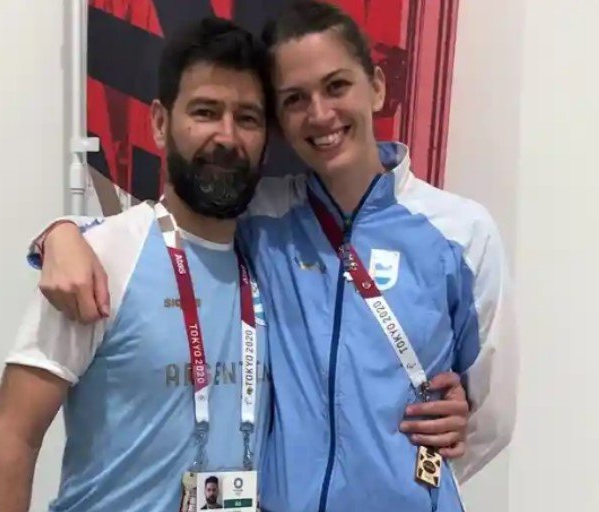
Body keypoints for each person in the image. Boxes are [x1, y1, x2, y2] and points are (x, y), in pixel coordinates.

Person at [26, 2, 516, 511]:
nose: (320, 114)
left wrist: (420, 465)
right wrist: (63, 233)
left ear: (376, 86)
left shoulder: (460, 232)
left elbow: (492, 415)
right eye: (295, 99)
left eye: (336, 86)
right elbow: (169, 222)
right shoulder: (263, 214)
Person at [0, 18, 274, 512]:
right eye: (205, 112)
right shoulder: (100, 257)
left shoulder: (272, 264)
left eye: (247, 118)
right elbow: (13, 438)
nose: (227, 136)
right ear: (159, 123)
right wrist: (60, 233)